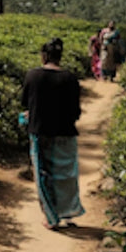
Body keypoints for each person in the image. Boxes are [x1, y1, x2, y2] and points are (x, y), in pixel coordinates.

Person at [20, 38, 85, 230]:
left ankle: (50, 217)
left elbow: (26, 103)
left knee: (43, 174)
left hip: (41, 132)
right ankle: (67, 212)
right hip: (66, 134)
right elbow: (76, 112)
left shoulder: (33, 76)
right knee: (65, 175)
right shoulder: (70, 78)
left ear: (44, 56)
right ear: (60, 56)